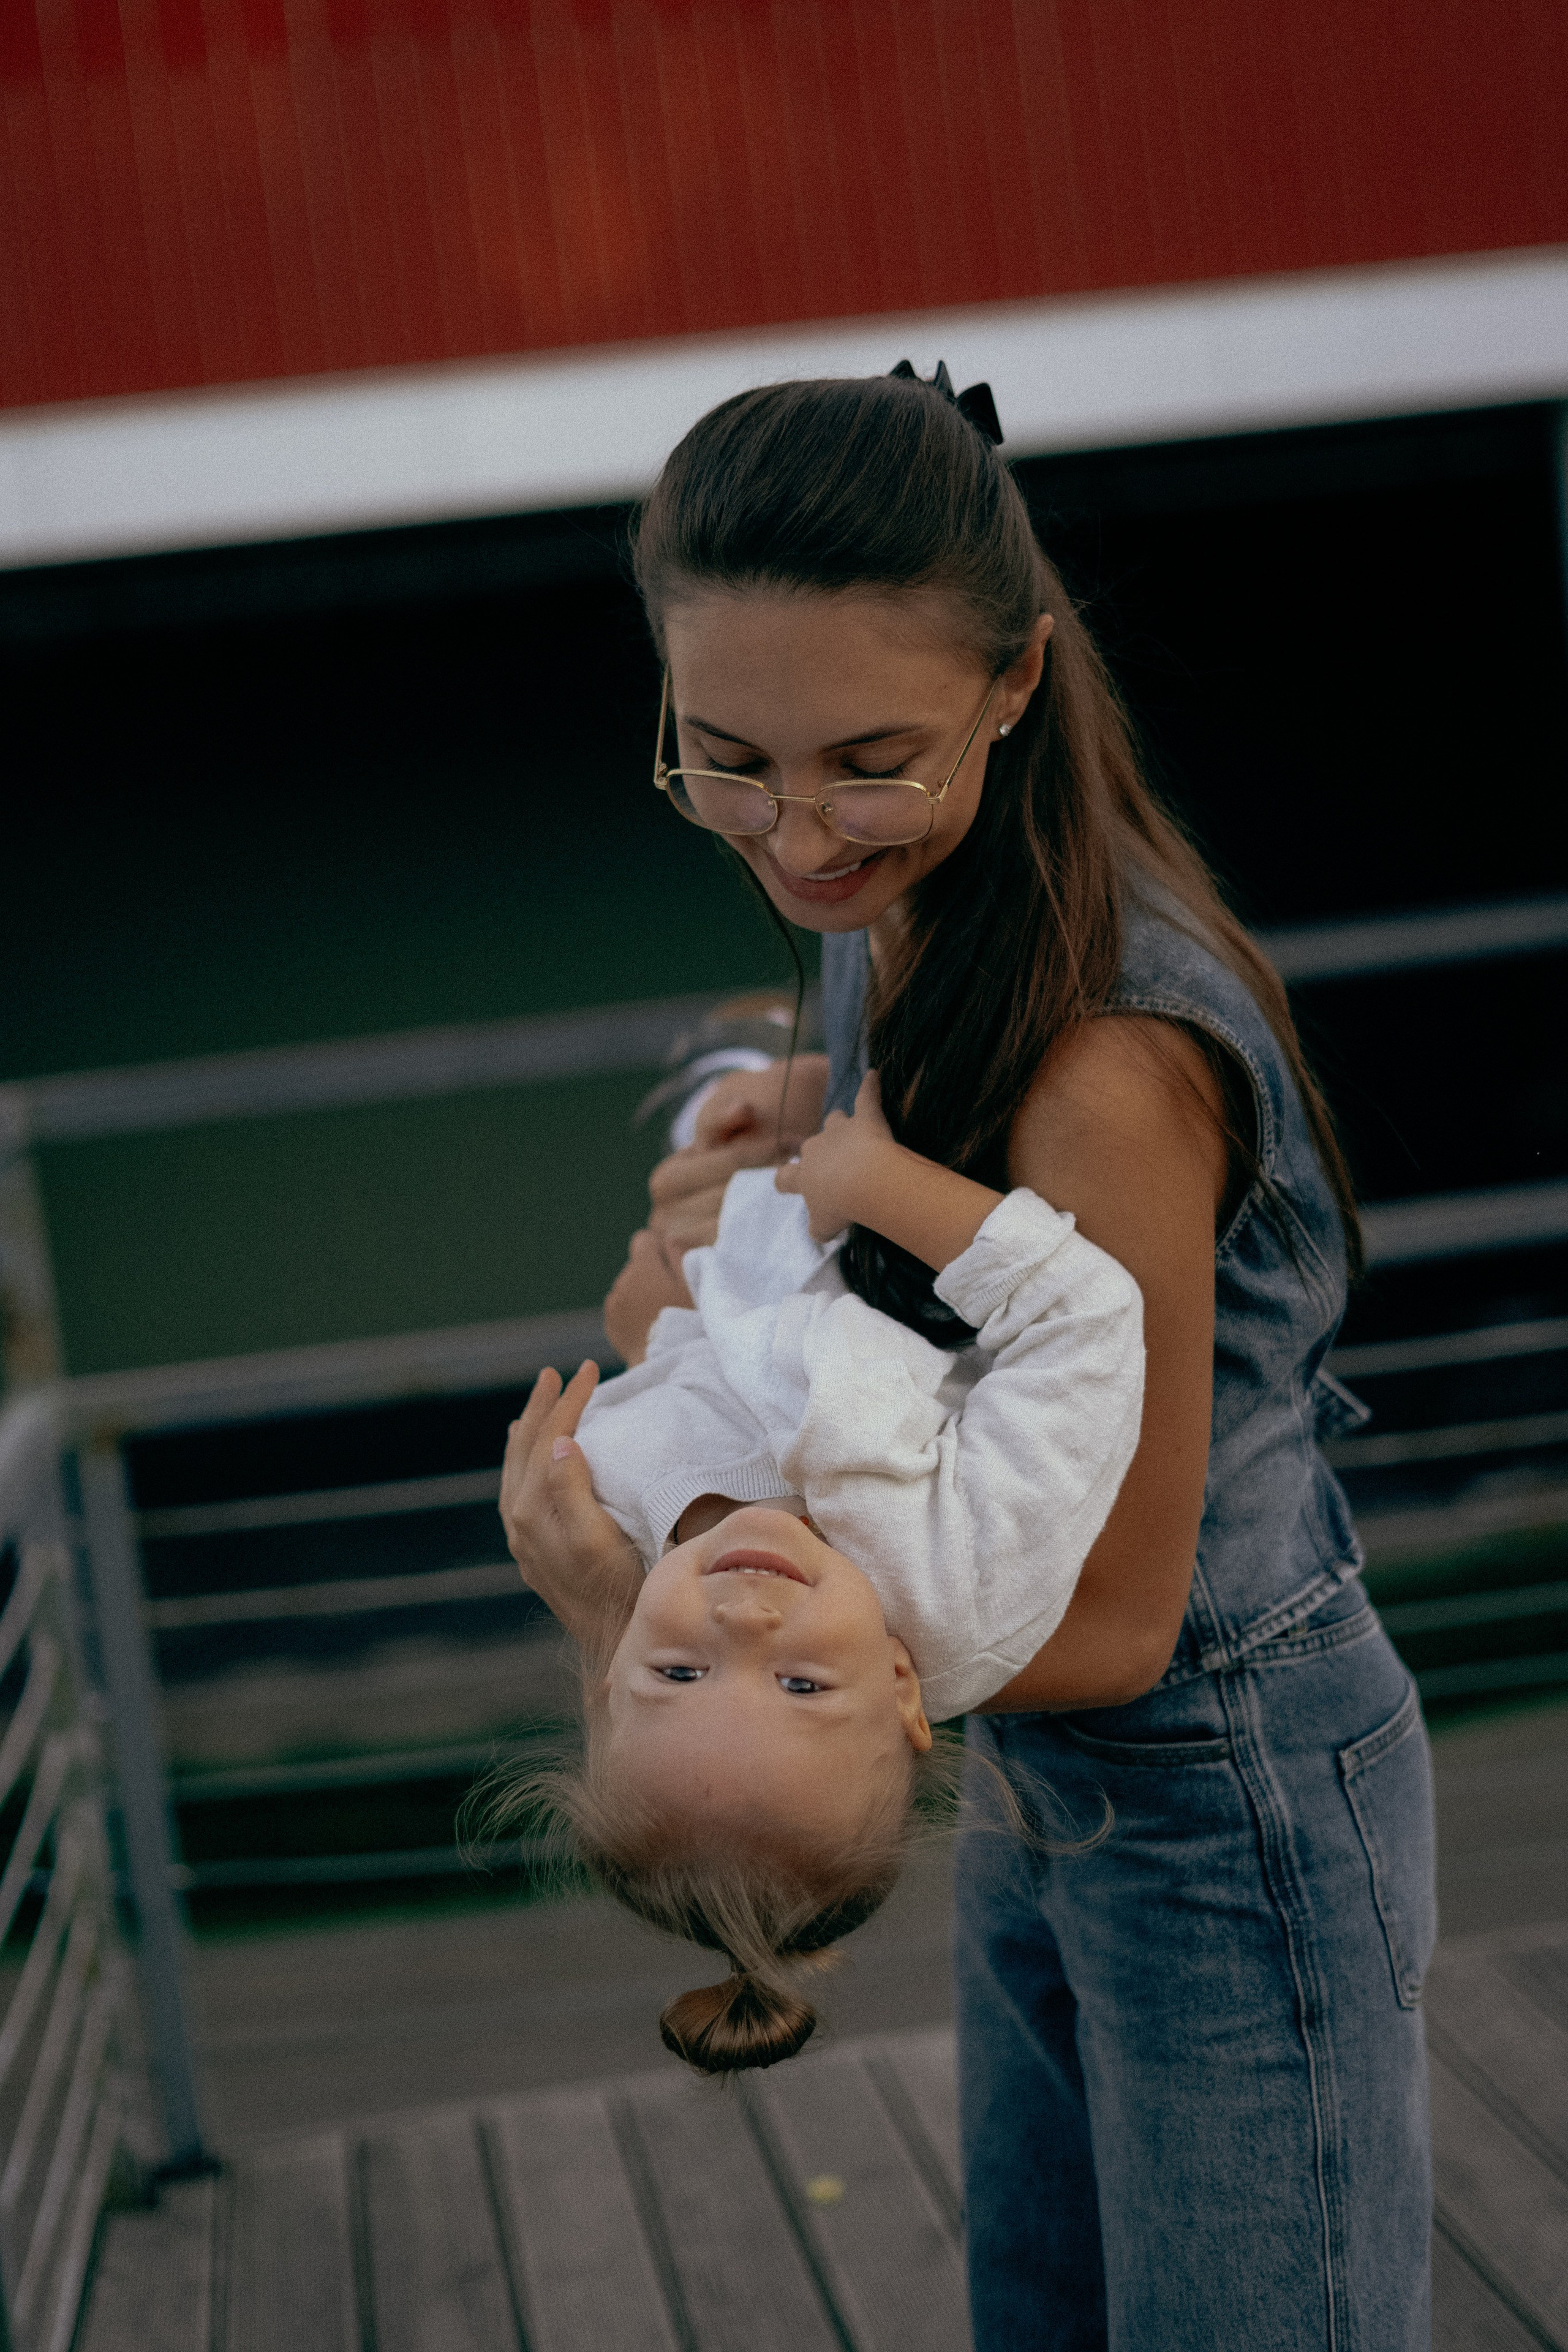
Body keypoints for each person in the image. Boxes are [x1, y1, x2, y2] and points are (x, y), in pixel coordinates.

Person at [503, 366, 1435, 2351]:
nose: (797, 833)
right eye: (725, 758)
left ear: (1015, 684)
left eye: (866, 759)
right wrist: (760, 1127)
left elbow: (1116, 1611)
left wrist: (653, 1600)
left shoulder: (1108, 1061)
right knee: (1052, 2309)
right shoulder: (912, 908)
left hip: (1219, 1773)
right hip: (1019, 1747)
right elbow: (899, 1280)